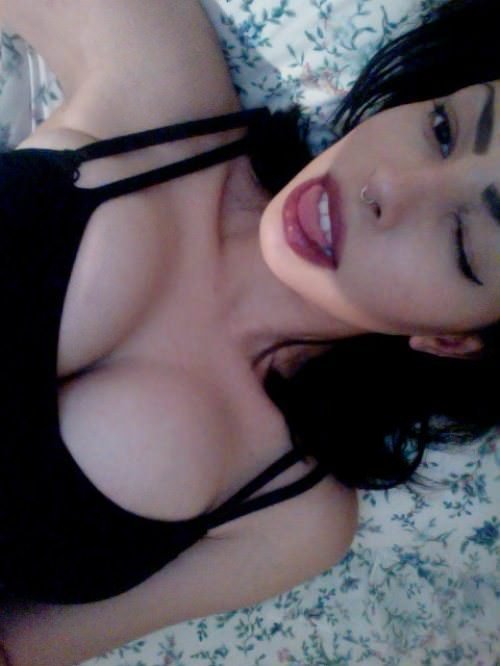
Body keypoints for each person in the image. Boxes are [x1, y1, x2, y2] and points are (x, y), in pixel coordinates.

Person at [0, 0, 498, 663]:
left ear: (452, 341)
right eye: (442, 128)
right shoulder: (165, 85)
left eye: (461, 240)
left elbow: (21, 648)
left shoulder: (294, 518)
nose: (389, 185)